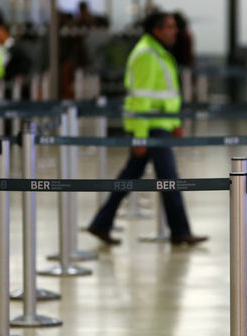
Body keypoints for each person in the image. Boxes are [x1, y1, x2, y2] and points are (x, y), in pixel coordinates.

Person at [88, 11, 207, 246]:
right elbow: (141, 100)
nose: (175, 31)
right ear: (157, 30)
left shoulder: (158, 52)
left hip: (160, 124)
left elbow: (165, 95)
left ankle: (101, 223)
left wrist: (175, 122)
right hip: (151, 128)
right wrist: (140, 138)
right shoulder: (147, 55)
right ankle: (180, 231)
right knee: (169, 179)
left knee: (131, 175)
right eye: (170, 27)